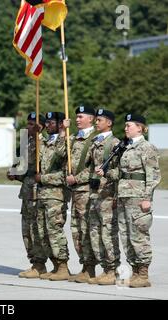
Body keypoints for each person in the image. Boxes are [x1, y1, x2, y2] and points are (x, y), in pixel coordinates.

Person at [117, 114, 161, 288]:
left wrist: (146, 198)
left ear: (140, 128)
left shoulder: (146, 148)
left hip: (138, 197)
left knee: (138, 235)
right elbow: (123, 174)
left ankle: (143, 274)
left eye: (129, 125)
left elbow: (153, 175)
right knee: (126, 235)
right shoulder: (126, 147)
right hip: (123, 196)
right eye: (126, 125)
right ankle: (134, 271)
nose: (126, 128)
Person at [7, 112, 48, 278]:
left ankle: (40, 263)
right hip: (26, 192)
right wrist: (15, 174)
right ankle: (34, 262)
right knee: (26, 230)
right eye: (27, 124)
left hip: (38, 192)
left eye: (32, 124)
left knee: (36, 229)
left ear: (40, 126)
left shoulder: (44, 143)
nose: (28, 127)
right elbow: (25, 169)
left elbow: (43, 166)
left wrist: (40, 136)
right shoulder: (26, 143)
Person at [64, 105, 98, 283]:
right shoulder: (73, 137)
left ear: (91, 119)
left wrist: (76, 178)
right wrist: (64, 131)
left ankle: (90, 267)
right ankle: (84, 265)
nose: (77, 120)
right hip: (75, 192)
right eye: (76, 117)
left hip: (87, 190)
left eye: (80, 117)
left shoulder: (95, 138)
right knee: (76, 231)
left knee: (86, 230)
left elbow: (95, 166)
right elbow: (61, 154)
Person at [87, 108, 121, 285]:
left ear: (109, 122)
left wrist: (116, 196)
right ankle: (104, 268)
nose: (96, 122)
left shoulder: (115, 143)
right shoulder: (94, 142)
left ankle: (112, 269)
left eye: (100, 120)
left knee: (108, 234)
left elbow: (120, 171)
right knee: (95, 233)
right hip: (95, 195)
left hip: (108, 195)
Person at [35, 112, 70, 281]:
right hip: (42, 193)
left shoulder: (63, 142)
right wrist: (36, 133)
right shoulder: (46, 141)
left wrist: (44, 178)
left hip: (56, 194)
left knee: (55, 230)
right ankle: (55, 265)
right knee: (43, 232)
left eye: (51, 122)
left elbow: (64, 174)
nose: (47, 125)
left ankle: (63, 266)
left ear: (60, 124)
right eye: (46, 122)